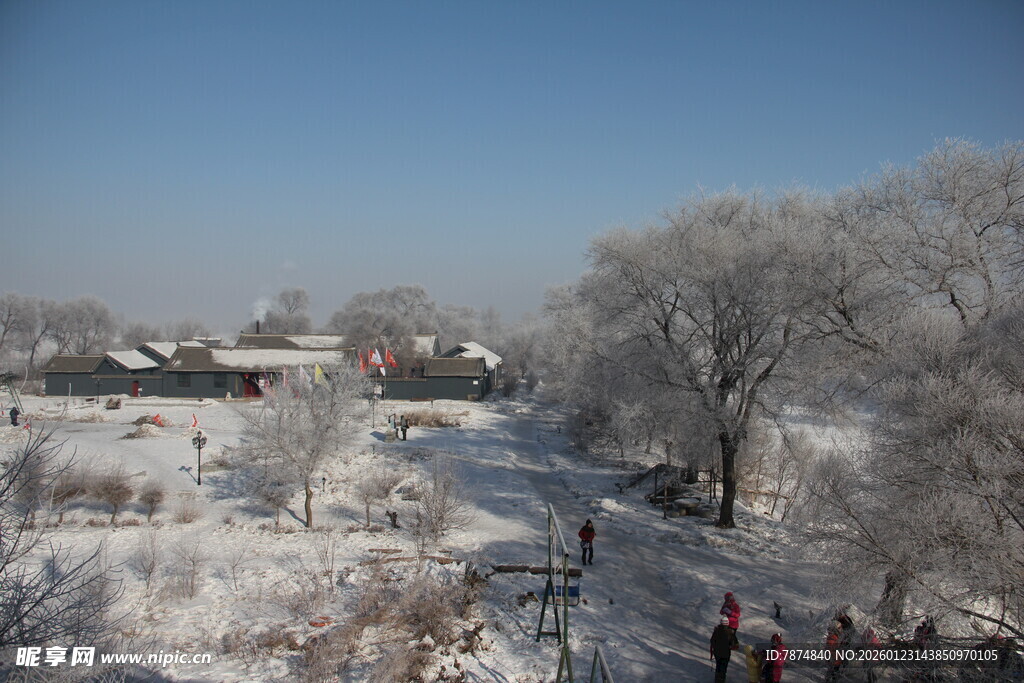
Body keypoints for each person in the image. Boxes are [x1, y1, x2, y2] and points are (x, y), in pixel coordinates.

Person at [709, 616, 739, 683]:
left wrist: (715, 647)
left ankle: (717, 679)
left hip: (717, 653)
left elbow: (712, 641)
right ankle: (722, 680)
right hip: (726, 653)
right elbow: (735, 643)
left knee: (718, 665)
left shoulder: (716, 631)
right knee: (724, 667)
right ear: (727, 623)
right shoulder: (730, 632)